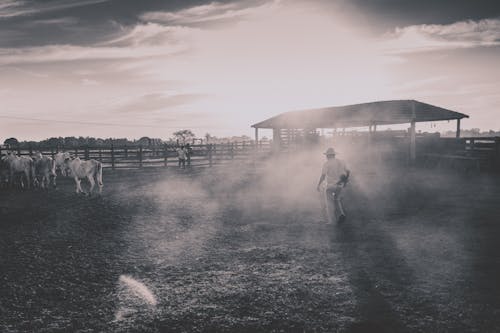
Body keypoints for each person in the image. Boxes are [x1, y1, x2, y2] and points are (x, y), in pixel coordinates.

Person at [316, 147, 350, 223]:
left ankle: (331, 221)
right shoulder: (342, 162)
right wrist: (345, 182)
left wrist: (318, 185)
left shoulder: (327, 164)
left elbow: (323, 176)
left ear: (328, 155)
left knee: (329, 203)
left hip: (331, 186)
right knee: (337, 200)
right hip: (340, 185)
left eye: (326, 155)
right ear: (334, 155)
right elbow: (348, 172)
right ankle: (341, 214)